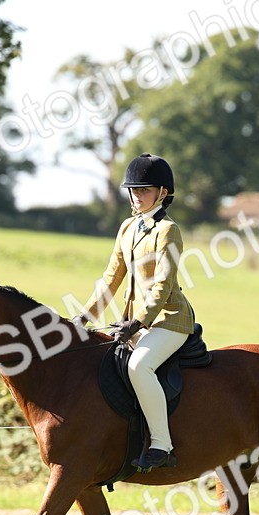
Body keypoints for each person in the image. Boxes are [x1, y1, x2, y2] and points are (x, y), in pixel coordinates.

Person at [75, 153, 195, 472]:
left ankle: (161, 445)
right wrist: (83, 317)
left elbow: (163, 285)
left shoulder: (168, 231)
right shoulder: (128, 227)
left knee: (139, 367)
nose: (137, 195)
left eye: (144, 190)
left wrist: (138, 321)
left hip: (169, 320)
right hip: (137, 324)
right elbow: (111, 278)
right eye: (134, 190)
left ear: (163, 193)